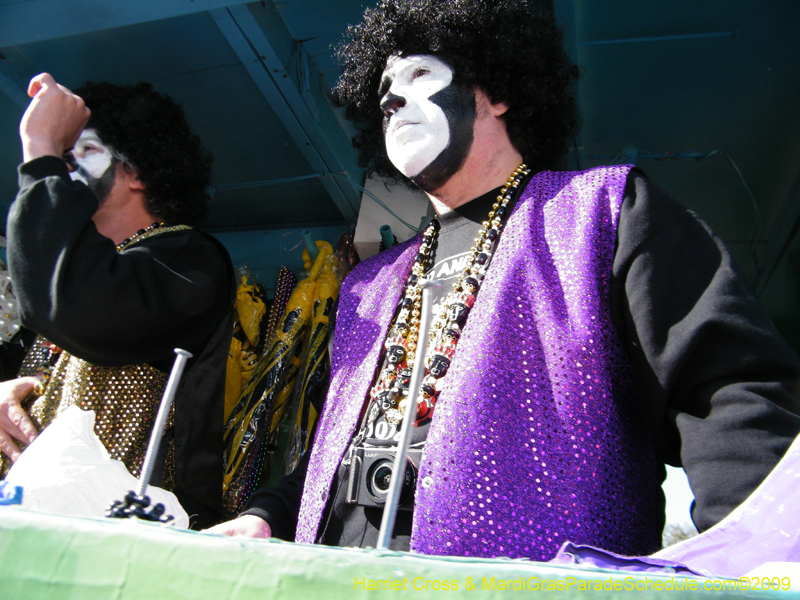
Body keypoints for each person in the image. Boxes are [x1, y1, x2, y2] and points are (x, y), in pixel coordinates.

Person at [208, 0, 800, 560]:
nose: (391, 100)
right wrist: (267, 513)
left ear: (497, 92)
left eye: (417, 74)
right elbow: (334, 453)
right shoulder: (371, 283)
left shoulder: (606, 213)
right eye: (383, 93)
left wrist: (755, 561)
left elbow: (732, 395)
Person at [0, 74, 236, 528]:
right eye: (63, 159)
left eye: (84, 152)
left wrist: (41, 145)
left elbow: (73, 306)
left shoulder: (191, 259)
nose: (66, 169)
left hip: (133, 539)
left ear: (139, 173)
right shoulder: (90, 268)